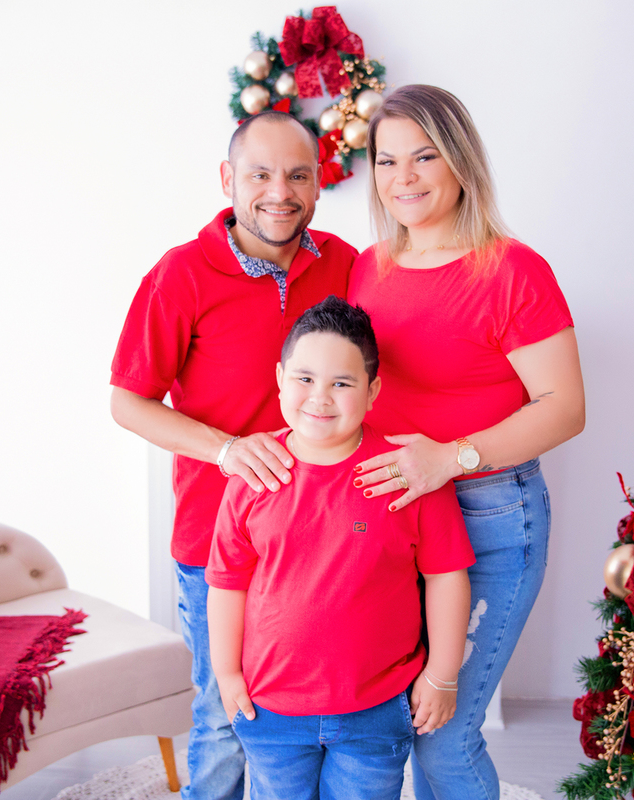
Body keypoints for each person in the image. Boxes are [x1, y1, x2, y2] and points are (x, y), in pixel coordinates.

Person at [109, 111, 357, 800]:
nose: (280, 191)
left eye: (298, 175)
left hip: (327, 541)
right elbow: (128, 401)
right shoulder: (180, 274)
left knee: (320, 713)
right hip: (219, 543)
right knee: (225, 712)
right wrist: (224, 449)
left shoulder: (345, 265)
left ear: (317, 184)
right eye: (260, 174)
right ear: (228, 180)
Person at [348, 85, 586, 800]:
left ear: (460, 162)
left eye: (424, 157)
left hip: (488, 519)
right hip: (394, 520)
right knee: (393, 718)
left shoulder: (512, 269)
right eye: (387, 161)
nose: (405, 178)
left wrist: (449, 459)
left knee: (445, 737)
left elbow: (565, 407)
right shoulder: (368, 266)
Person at [205, 296, 475, 800]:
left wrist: (442, 674)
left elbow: (446, 575)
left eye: (342, 383)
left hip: (375, 710)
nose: (320, 398)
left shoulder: (410, 472)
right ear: (281, 377)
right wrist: (225, 673)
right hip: (270, 709)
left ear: (372, 390)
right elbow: (226, 582)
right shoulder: (253, 474)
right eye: (305, 379)